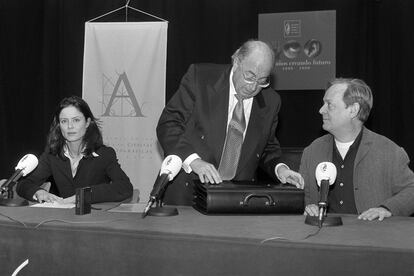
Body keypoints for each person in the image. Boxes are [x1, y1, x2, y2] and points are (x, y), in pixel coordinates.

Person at [156, 39, 304, 205]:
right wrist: (194, 161)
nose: (253, 87)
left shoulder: (271, 101)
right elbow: (169, 123)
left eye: (262, 80)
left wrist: (281, 169)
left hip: (235, 198)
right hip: (187, 192)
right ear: (236, 61)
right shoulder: (201, 78)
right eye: (250, 76)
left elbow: (267, 148)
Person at [301, 78, 414, 221]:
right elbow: (301, 197)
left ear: (353, 110)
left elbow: (411, 190)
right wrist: (310, 207)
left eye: (329, 105)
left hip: (371, 239)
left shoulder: (389, 152)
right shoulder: (312, 151)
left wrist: (386, 209)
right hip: (323, 239)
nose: (321, 110)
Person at [16, 96, 133, 204]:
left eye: (76, 120)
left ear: (87, 122)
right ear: (59, 125)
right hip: (63, 219)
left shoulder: (104, 154)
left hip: (95, 219)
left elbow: (124, 187)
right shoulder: (52, 154)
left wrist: (83, 196)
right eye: (64, 121)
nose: (70, 126)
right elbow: (23, 184)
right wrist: (38, 192)